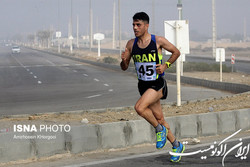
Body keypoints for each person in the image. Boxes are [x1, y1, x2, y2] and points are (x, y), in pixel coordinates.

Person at [120, 12, 185, 162]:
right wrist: (123, 61)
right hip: (143, 86)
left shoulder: (158, 41)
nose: (135, 28)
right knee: (160, 118)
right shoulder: (131, 44)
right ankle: (177, 145)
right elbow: (124, 67)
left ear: (146, 25)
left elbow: (176, 52)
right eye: (133, 25)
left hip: (157, 84)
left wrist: (165, 65)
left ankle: (159, 130)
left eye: (138, 25)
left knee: (139, 108)